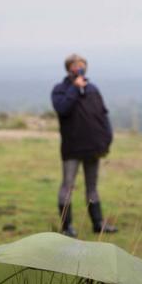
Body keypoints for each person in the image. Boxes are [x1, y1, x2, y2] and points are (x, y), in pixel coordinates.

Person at [51, 53, 117, 237]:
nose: (79, 68)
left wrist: (108, 137)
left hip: (93, 146)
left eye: (81, 65)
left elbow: (103, 114)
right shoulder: (60, 89)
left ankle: (98, 223)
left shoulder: (93, 89)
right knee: (68, 185)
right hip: (72, 146)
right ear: (68, 68)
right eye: (74, 65)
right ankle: (67, 227)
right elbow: (62, 109)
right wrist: (74, 88)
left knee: (92, 186)